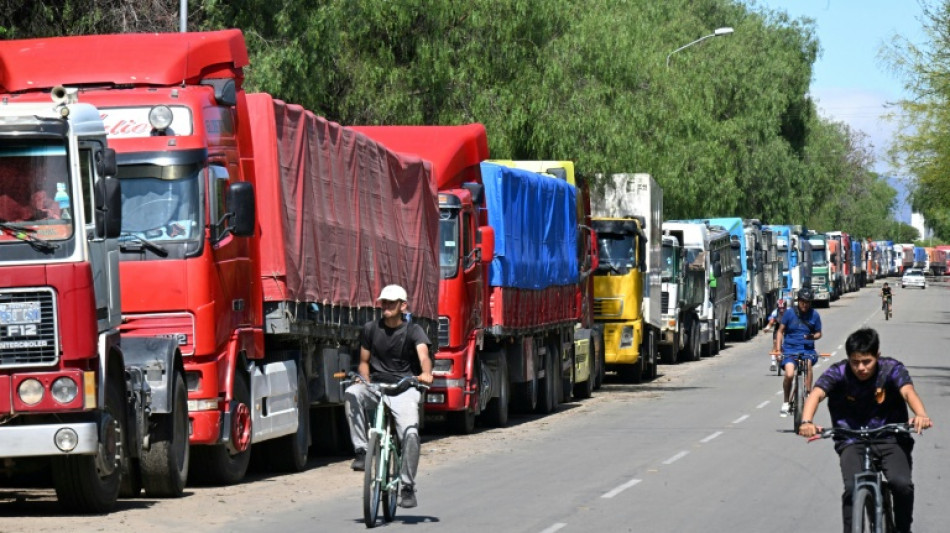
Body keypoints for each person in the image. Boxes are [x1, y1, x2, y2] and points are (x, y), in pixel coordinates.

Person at [798, 327, 932, 533]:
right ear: (848, 359)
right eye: (855, 362)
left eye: (866, 361)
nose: (861, 368)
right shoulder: (839, 372)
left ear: (877, 356)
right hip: (852, 439)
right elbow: (816, 393)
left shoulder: (891, 369)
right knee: (852, 489)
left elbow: (908, 391)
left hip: (890, 438)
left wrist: (921, 414)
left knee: (901, 484)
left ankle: (903, 529)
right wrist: (806, 421)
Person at [344, 284, 433, 509]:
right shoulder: (371, 329)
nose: (386, 307)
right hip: (377, 386)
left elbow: (424, 356)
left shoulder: (414, 331)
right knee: (352, 393)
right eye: (384, 302)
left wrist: (425, 373)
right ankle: (362, 451)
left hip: (404, 388)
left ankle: (407, 487)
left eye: (391, 303)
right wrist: (362, 379)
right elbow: (364, 362)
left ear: (403, 306)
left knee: (411, 434)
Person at [773, 287, 821, 417]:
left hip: (807, 350)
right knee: (789, 374)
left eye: (807, 302)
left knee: (808, 363)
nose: (805, 304)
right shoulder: (789, 313)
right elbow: (780, 331)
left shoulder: (815, 315)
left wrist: (812, 337)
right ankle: (786, 402)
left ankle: (809, 393)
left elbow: (818, 333)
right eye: (802, 301)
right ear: (798, 301)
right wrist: (778, 350)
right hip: (790, 350)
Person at [763, 298, 788, 372]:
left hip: (787, 327)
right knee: (775, 343)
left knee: (789, 341)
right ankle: (773, 363)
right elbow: (771, 321)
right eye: (780, 308)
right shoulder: (775, 312)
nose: (781, 310)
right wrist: (767, 328)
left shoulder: (789, 312)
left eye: (783, 308)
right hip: (778, 327)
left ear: (786, 306)